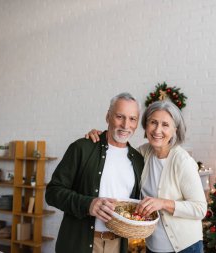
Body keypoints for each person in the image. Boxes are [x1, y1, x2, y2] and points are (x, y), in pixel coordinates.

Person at [86, 100, 207, 253]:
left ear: (175, 130)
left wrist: (163, 203)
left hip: (185, 248)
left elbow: (200, 208)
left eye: (165, 125)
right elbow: (117, 148)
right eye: (153, 122)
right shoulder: (142, 154)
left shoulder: (182, 161)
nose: (157, 130)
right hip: (153, 247)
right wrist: (100, 137)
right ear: (145, 125)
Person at [46, 92, 144, 253]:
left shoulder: (138, 160)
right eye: (120, 116)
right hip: (81, 244)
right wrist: (88, 204)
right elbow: (52, 192)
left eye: (132, 119)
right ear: (108, 116)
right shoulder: (82, 148)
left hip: (118, 245)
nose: (126, 125)